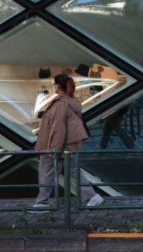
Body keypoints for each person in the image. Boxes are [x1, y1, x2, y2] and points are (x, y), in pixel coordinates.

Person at [32, 73, 102, 207]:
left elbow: (58, 128)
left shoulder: (61, 104)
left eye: (54, 84)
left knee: (47, 172)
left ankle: (42, 203)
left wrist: (54, 150)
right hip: (69, 144)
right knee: (72, 171)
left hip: (55, 145)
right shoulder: (70, 101)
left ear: (57, 86)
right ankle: (92, 197)